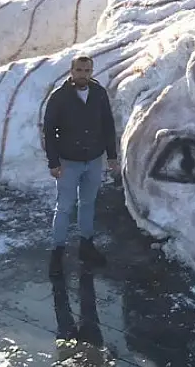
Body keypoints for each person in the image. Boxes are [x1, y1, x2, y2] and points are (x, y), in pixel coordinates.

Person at [43, 55, 119, 276]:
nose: (83, 75)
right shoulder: (59, 97)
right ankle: (57, 252)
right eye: (79, 70)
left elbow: (108, 125)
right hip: (68, 162)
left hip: (93, 160)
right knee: (64, 207)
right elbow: (49, 131)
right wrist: (53, 162)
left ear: (91, 72)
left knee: (88, 203)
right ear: (71, 71)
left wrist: (111, 155)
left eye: (87, 71)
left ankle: (86, 245)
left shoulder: (99, 94)